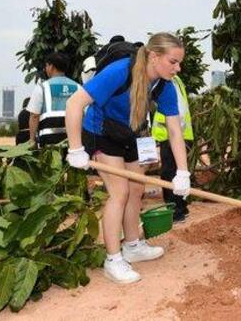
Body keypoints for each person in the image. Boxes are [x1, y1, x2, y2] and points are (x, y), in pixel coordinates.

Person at [65, 32, 191, 284]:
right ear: (154, 56)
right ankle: (113, 259)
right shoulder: (120, 71)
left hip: (130, 133)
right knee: (119, 192)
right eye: (173, 62)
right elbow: (74, 103)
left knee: (136, 188)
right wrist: (75, 148)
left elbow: (175, 130)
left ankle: (132, 245)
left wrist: (182, 172)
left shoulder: (164, 84)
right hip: (101, 133)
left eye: (180, 63)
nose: (178, 68)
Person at [151, 74, 193, 223]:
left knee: (169, 174)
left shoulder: (168, 82)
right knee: (177, 173)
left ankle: (175, 212)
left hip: (173, 136)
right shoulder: (176, 81)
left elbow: (178, 111)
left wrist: (175, 132)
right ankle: (182, 207)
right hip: (178, 135)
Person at [27, 52, 80, 147]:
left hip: (49, 140)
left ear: (51, 66)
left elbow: (34, 115)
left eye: (46, 65)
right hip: (74, 138)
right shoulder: (78, 87)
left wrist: (32, 139)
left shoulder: (42, 87)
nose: (46, 69)